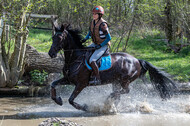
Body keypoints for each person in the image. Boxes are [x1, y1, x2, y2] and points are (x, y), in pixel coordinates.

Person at [81, 6, 111, 85]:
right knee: (83, 52)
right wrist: (85, 39)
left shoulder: (103, 25)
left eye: (96, 14)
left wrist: (100, 45)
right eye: (93, 14)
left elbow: (109, 38)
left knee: (92, 60)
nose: (94, 15)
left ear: (100, 15)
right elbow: (90, 33)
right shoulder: (93, 22)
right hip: (95, 43)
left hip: (103, 45)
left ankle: (97, 78)